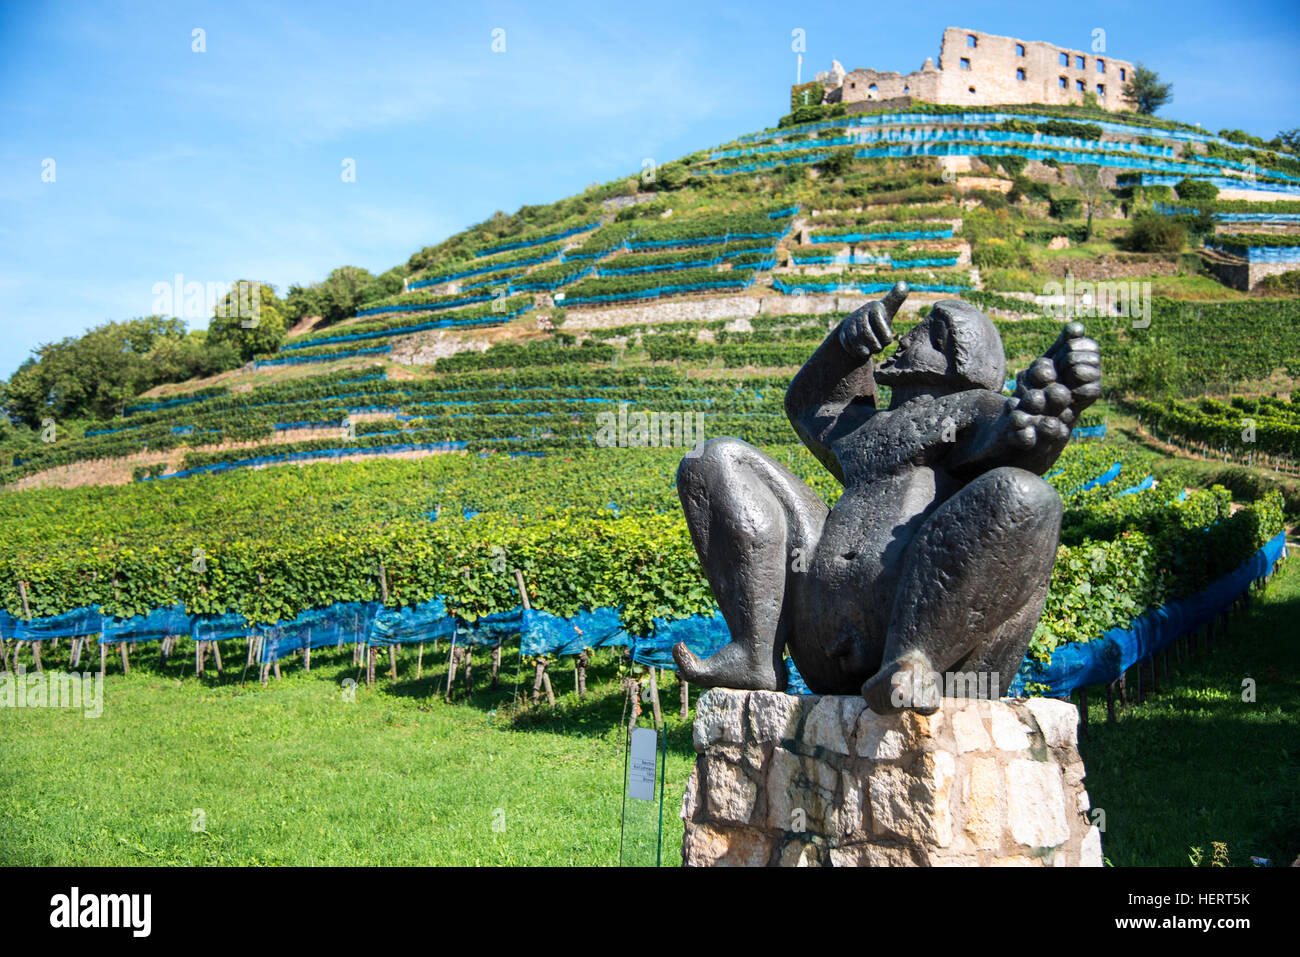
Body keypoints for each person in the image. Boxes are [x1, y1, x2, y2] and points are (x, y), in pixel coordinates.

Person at [673, 281, 1101, 713]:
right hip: (819, 640)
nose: (907, 335)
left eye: (929, 333)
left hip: (925, 651)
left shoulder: (975, 410)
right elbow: (808, 404)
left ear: (957, 363)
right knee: (715, 458)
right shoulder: (866, 429)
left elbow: (1013, 436)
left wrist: (1046, 412)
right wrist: (847, 344)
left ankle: (915, 659)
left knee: (1025, 494)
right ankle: (755, 649)